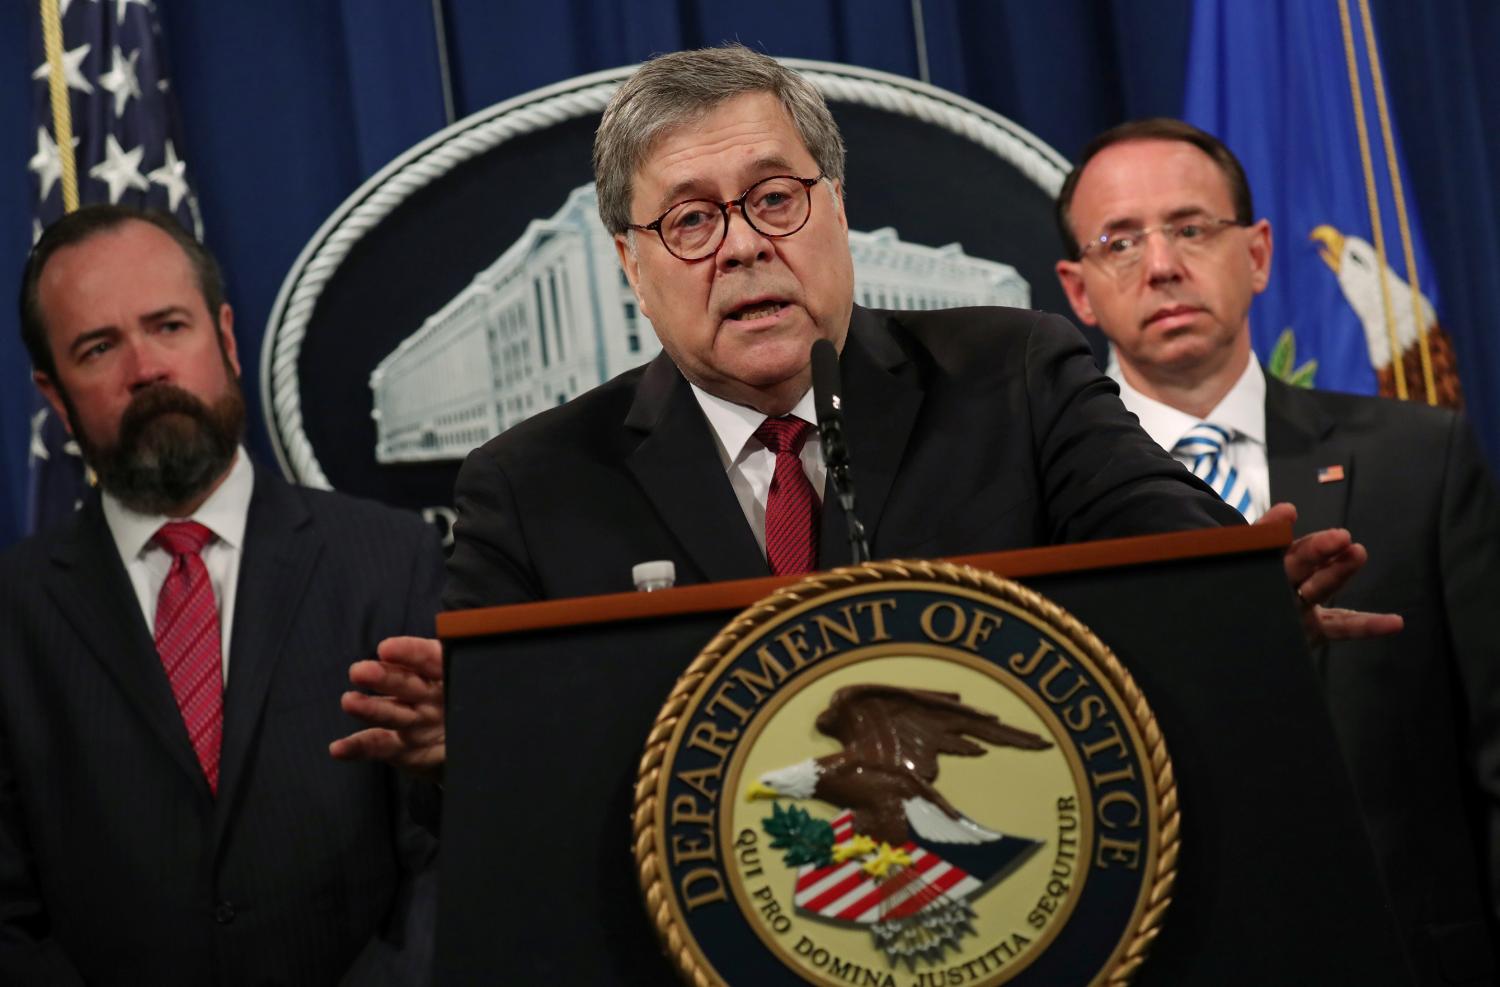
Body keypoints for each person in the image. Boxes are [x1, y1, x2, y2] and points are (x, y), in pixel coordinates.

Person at [334, 47, 1397, 797]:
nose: (744, 247)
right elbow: (501, 759)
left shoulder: (1011, 375)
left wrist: (1233, 598)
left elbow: (1162, 538)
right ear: (630, 263)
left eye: (776, 199)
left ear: (836, 207)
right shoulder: (532, 483)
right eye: (692, 219)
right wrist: (463, 744)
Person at [1053, 117, 1500, 984]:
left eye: (1190, 228)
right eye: (1120, 242)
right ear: (1078, 290)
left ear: (1256, 254)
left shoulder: (1422, 459)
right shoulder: (1044, 507)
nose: (1162, 265)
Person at [0, 205, 443, 985]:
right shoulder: (14, 615)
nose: (146, 369)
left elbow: (446, 855)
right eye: (99, 347)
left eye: (169, 326)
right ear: (55, 394)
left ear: (226, 338)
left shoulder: (389, 560)